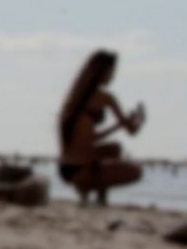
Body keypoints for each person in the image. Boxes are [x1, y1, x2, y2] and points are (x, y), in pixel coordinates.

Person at [57, 49, 144, 206]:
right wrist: (139, 120)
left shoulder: (75, 97)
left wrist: (117, 126)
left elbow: (88, 138)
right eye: (112, 71)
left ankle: (93, 194)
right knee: (137, 172)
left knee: (114, 148)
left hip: (65, 168)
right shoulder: (104, 97)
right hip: (82, 170)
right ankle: (88, 187)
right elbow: (132, 131)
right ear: (103, 71)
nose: (113, 76)